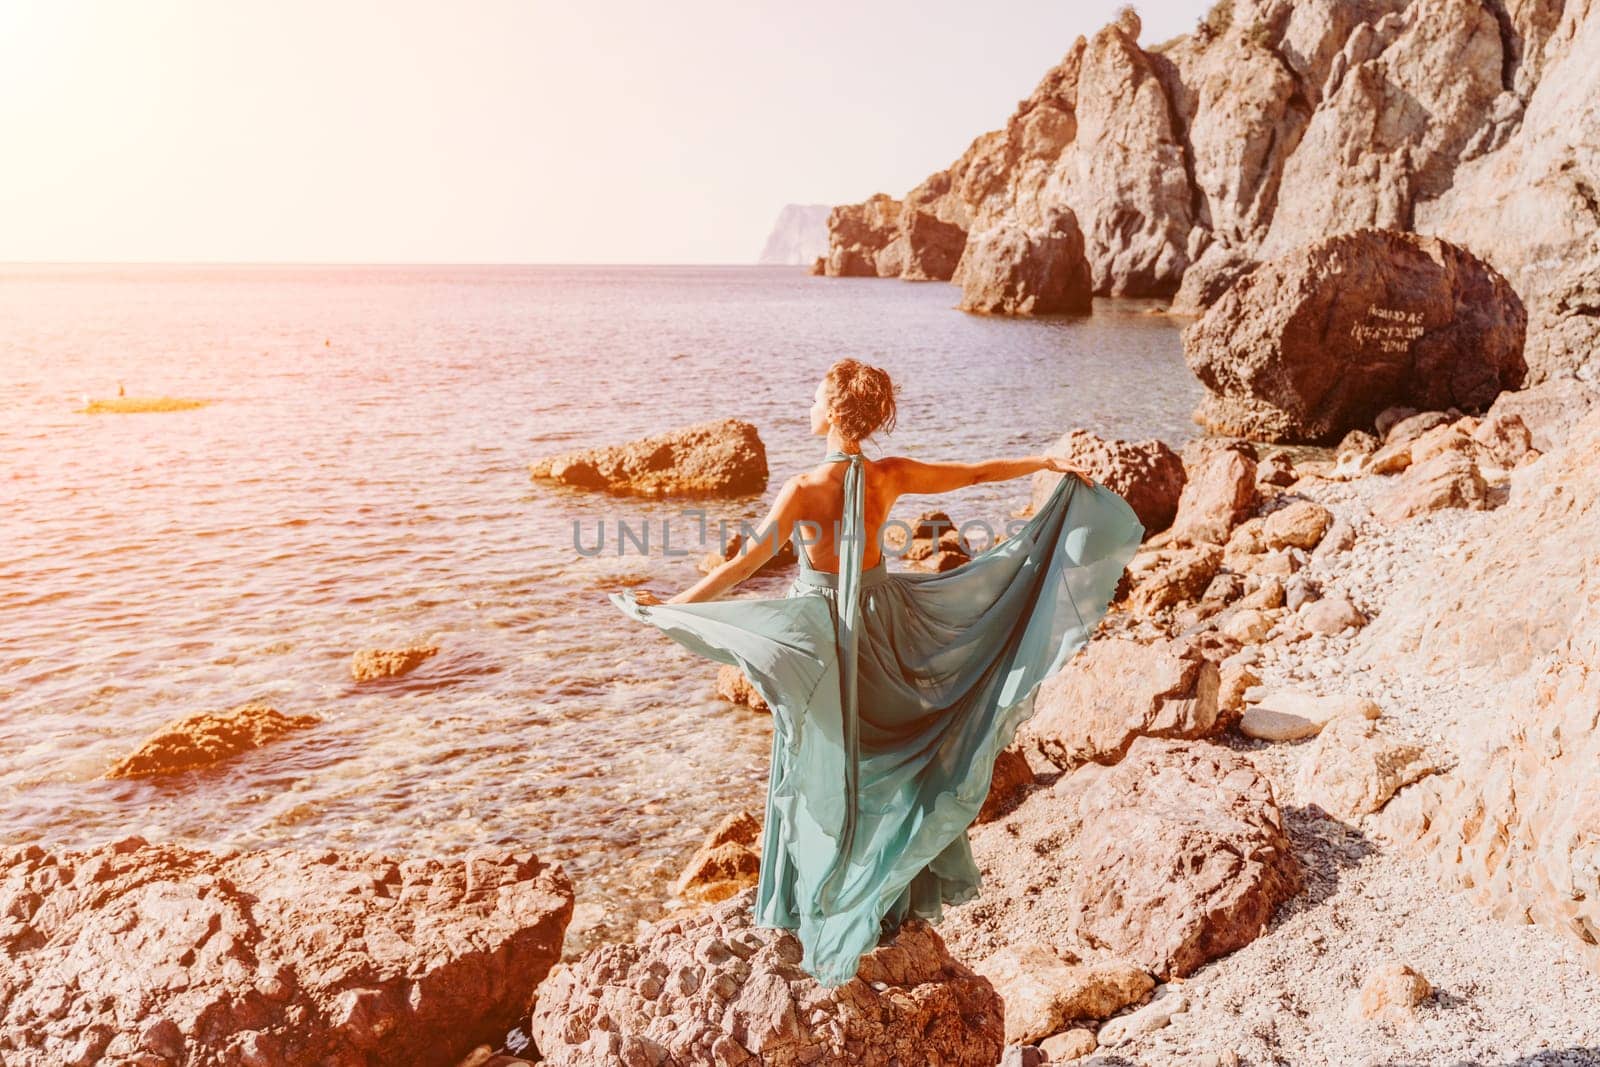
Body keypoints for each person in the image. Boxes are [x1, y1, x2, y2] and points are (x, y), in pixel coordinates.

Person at [611, 357, 1144, 987]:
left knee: (815, 752)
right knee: (890, 753)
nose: (807, 408)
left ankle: (803, 902)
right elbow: (973, 472)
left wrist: (673, 608)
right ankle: (885, 902)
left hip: (825, 637)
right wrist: (1044, 464)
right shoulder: (888, 475)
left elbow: (743, 567)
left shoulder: (803, 489)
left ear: (834, 412)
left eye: (814, 399)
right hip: (885, 622)